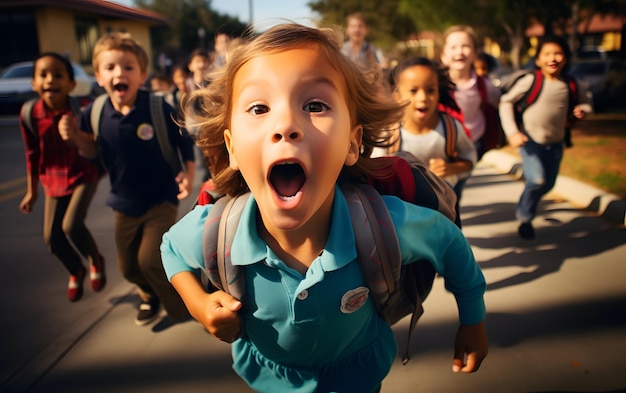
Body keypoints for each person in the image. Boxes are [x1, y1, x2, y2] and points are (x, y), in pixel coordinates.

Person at [160, 24, 488, 393]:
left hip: (358, 377)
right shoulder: (218, 230)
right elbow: (171, 248)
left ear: (352, 143)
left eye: (315, 105)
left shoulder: (384, 225)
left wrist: (472, 319)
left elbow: (449, 243)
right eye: (259, 107)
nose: (285, 125)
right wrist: (197, 302)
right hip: (271, 380)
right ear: (232, 148)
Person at [59, 32, 196, 326]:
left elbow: (183, 137)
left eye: (128, 67)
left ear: (142, 74)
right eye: (110, 68)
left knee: (150, 260)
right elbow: (91, 151)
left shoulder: (158, 108)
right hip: (123, 203)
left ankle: (184, 308)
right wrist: (74, 138)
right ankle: (149, 295)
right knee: (129, 268)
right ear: (98, 76)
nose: (119, 73)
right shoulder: (93, 113)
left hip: (161, 197)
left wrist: (189, 170)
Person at [18, 52, 105, 303]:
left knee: (72, 225)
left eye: (58, 75)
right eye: (43, 75)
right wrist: (32, 191)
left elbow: (95, 148)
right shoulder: (29, 114)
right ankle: (75, 270)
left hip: (83, 173)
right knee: (52, 239)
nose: (50, 80)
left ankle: (95, 259)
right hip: (52, 179)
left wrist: (76, 134)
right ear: (34, 83)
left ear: (71, 84)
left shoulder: (82, 109)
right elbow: (31, 154)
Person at [499, 35, 592, 240]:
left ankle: (528, 200)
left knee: (548, 184)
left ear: (566, 58)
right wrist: (513, 133)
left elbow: (587, 103)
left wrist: (583, 110)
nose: (553, 58)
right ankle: (525, 218)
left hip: (556, 143)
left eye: (558, 53)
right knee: (537, 179)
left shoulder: (572, 84)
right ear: (538, 60)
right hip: (529, 141)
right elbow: (505, 102)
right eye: (547, 54)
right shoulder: (531, 80)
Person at [374, 56, 477, 203]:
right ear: (397, 96)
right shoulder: (389, 133)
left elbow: (470, 158)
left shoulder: (450, 127)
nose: (423, 97)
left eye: (430, 90)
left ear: (438, 93)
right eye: (413, 91)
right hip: (404, 211)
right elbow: (375, 171)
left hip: (445, 208)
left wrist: (450, 168)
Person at [440, 25, 501, 162]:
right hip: (444, 144)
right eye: (453, 47)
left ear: (474, 54)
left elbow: (500, 102)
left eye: (465, 46)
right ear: (443, 55)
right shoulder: (436, 85)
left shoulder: (484, 85)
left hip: (474, 142)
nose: (460, 52)